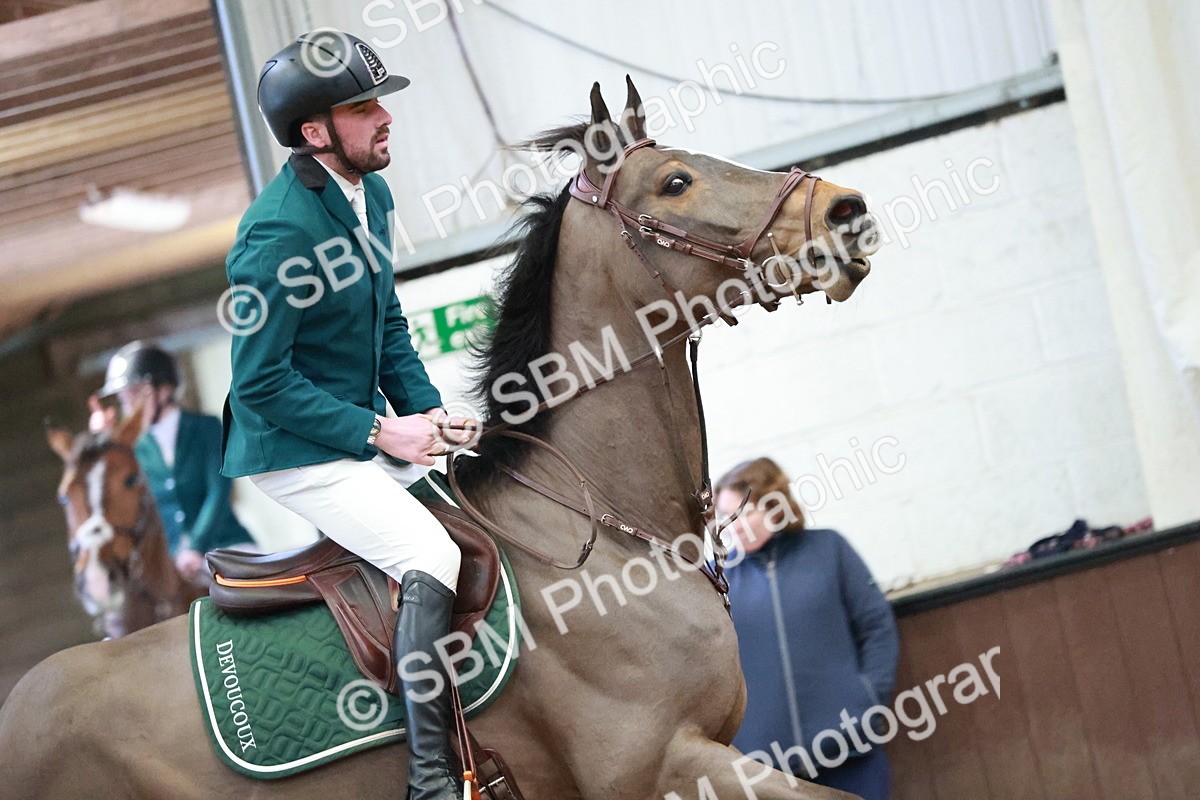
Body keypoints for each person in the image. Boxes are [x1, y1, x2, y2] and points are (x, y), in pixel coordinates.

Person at [222, 30, 472, 800]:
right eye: (363, 106)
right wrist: (377, 430)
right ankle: (430, 780)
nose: (384, 116)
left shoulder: (373, 194)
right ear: (314, 132)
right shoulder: (274, 233)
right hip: (291, 452)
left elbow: (386, 322)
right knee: (431, 558)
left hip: (348, 431)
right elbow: (259, 383)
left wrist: (428, 412)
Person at [715, 457, 899, 800]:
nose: (735, 526)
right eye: (726, 517)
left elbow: (877, 628)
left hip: (850, 750)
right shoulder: (718, 579)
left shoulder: (829, 549)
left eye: (745, 512)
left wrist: (868, 699)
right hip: (765, 772)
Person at [95, 341, 255, 582]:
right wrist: (103, 442)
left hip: (225, 545)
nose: (128, 406)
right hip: (170, 561)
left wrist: (196, 545)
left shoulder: (206, 428)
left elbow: (219, 491)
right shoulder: (134, 448)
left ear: (164, 388)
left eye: (136, 393)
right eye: (124, 399)